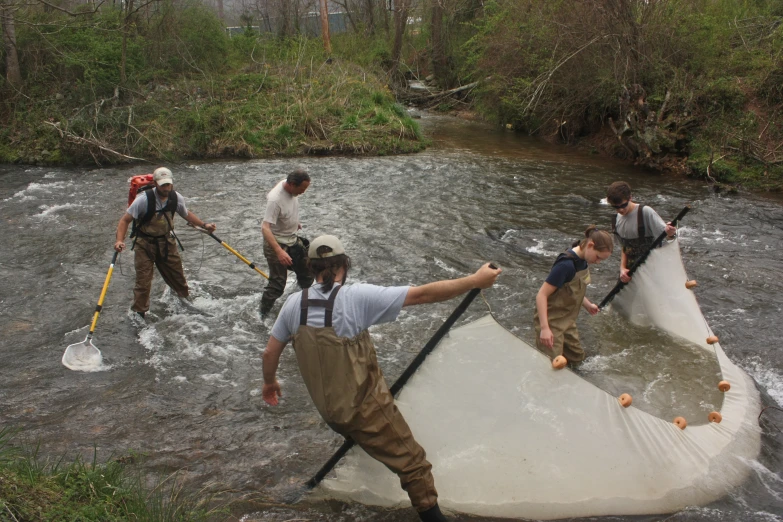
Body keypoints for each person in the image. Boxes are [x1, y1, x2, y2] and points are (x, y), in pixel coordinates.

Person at [262, 235, 501, 522]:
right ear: (344, 266)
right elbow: (423, 294)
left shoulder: (292, 305)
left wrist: (270, 383)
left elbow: (270, 353)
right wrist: (475, 280)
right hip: (363, 411)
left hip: (330, 412)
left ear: (311, 268)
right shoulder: (355, 298)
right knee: (415, 465)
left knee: (367, 432)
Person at [114, 167, 216, 318]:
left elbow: (186, 214)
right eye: (163, 185)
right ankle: (139, 313)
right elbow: (125, 220)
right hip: (144, 245)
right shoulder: (143, 200)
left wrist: (204, 225)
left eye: (168, 184)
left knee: (178, 278)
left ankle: (185, 304)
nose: (166, 188)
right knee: (143, 283)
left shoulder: (176, 198)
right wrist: (119, 241)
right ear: (155, 183)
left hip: (167, 243)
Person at [535, 226, 613, 364]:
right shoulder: (565, 266)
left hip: (568, 321)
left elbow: (573, 290)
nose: (598, 262)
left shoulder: (583, 262)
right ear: (590, 245)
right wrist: (544, 329)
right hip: (552, 323)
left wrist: (588, 305)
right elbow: (541, 295)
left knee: (577, 359)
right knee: (550, 364)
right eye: (598, 257)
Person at [260, 169, 313, 317]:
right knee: (277, 285)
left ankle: (301, 306)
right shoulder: (275, 199)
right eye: (301, 189)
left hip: (292, 238)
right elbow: (265, 228)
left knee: (307, 274)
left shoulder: (289, 185)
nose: (303, 192)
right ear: (291, 184)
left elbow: (286, 210)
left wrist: (293, 222)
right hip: (276, 244)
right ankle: (262, 315)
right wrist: (279, 251)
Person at [606, 181, 677, 283]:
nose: (620, 210)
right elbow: (624, 248)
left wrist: (671, 233)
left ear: (630, 197)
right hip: (629, 273)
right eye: (615, 207)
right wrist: (622, 269)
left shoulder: (645, 212)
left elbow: (668, 238)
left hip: (652, 271)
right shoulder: (616, 220)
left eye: (623, 205)